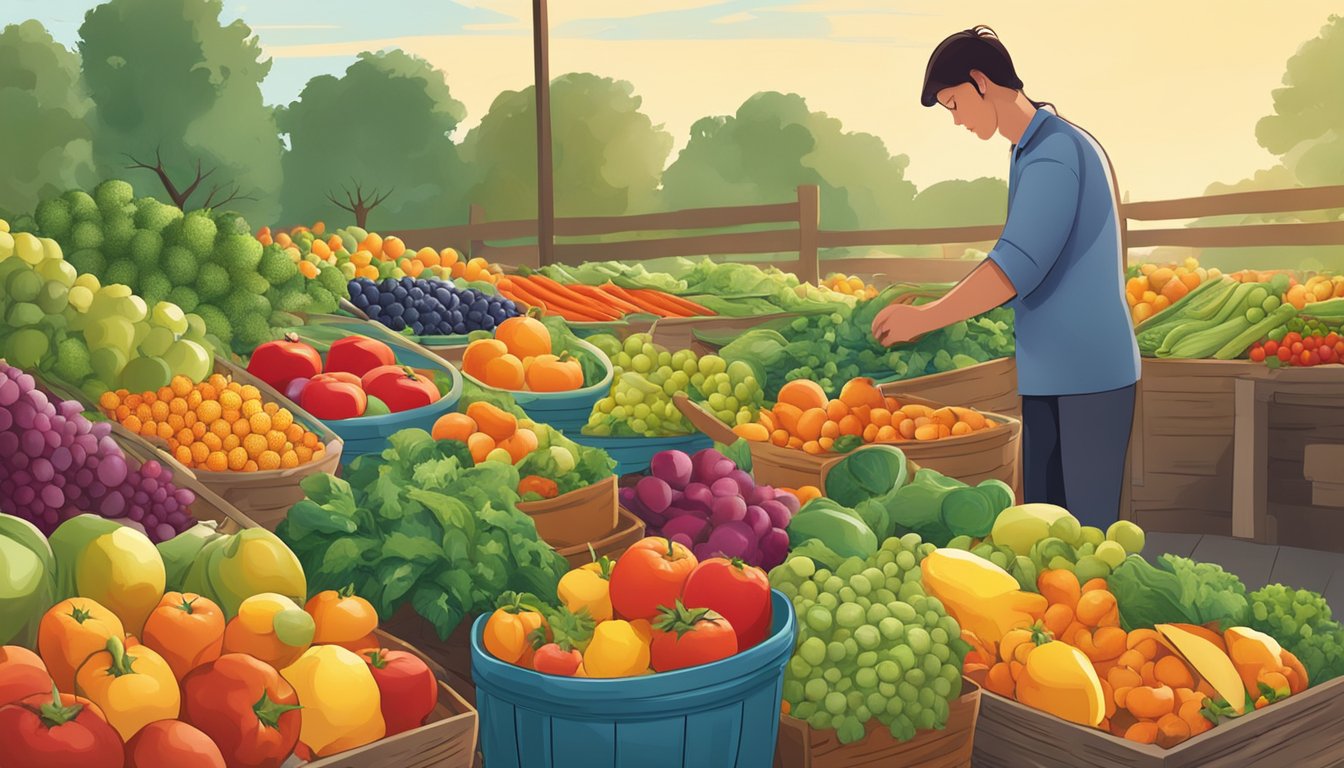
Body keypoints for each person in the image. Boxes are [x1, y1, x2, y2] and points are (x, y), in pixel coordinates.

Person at [871, 26, 1139, 529]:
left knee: (1087, 541)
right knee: (1046, 535)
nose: (956, 120)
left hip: (1088, 376)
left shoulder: (1056, 152)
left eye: (954, 104)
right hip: (1050, 372)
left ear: (981, 82)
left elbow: (1017, 265)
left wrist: (925, 317)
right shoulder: (1027, 150)